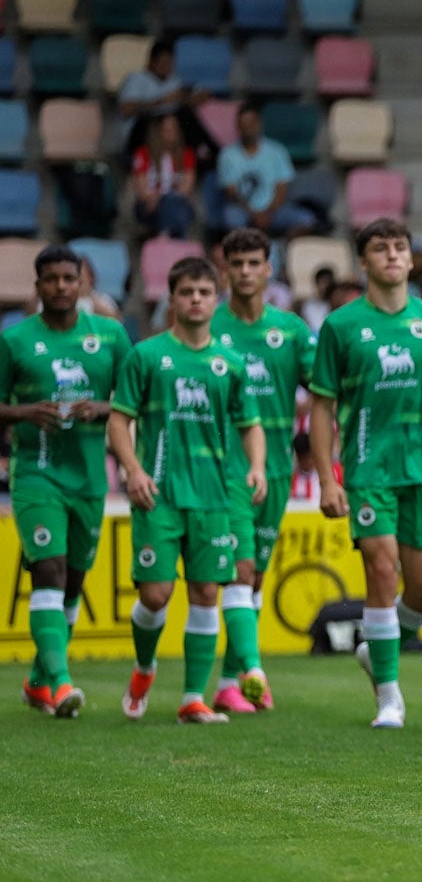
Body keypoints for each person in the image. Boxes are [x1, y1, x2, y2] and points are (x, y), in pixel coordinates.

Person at [109, 256, 269, 724]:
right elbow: (120, 420)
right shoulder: (147, 355)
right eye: (187, 292)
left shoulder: (230, 363)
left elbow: (251, 424)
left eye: (204, 292)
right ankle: (143, 668)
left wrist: (256, 466)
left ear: (214, 300)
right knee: (156, 595)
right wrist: (134, 469)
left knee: (205, 593)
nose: (196, 300)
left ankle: (192, 699)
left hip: (214, 495)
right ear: (172, 300)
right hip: (158, 493)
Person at [309, 218, 422, 728]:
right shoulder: (341, 326)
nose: (392, 255)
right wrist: (329, 477)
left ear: (411, 260)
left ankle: (376, 649)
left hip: (421, 470)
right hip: (368, 469)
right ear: (363, 262)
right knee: (382, 571)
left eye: (400, 247)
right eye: (380, 249)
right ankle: (389, 696)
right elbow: (322, 407)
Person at [0, 246, 130, 719]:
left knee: (72, 582)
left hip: (91, 478)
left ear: (82, 284)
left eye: (68, 278)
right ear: (37, 287)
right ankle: (59, 682)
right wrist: (22, 412)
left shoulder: (112, 336)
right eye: (50, 279)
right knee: (49, 571)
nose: (60, 286)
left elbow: (139, 399)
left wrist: (102, 408)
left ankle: (38, 680)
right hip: (36, 474)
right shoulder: (14, 342)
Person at [209, 228, 317, 714]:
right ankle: (252, 673)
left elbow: (323, 388)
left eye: (255, 263)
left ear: (269, 268)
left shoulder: (291, 331)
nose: (247, 272)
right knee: (240, 570)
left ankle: (228, 681)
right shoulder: (206, 328)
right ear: (225, 269)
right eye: (238, 264)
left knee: (252, 582)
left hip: (275, 470)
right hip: (222, 470)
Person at [217, 104, 317, 237]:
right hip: (243, 210)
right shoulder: (227, 154)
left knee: (306, 220)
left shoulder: (277, 151)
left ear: (259, 124)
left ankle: (282, 249)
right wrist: (254, 214)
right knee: (231, 218)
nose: (248, 128)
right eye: (244, 124)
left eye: (251, 123)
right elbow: (231, 193)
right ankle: (245, 251)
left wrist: (267, 213)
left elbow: (282, 189)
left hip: (275, 210)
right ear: (238, 127)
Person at [117, 38, 213, 161]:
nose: (166, 66)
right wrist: (161, 101)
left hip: (168, 133)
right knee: (156, 121)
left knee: (185, 115)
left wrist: (193, 98)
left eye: (170, 62)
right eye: (163, 62)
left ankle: (204, 152)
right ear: (151, 61)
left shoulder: (173, 81)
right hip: (139, 134)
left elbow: (188, 98)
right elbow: (126, 109)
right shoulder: (136, 78)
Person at [132, 113, 197, 238]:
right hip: (149, 206)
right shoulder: (143, 154)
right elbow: (142, 191)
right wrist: (156, 198)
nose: (173, 133)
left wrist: (161, 197)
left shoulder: (186, 154)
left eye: (175, 129)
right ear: (157, 132)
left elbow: (186, 188)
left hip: (175, 202)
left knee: (173, 203)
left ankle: (164, 236)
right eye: (168, 130)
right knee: (177, 210)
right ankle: (174, 243)